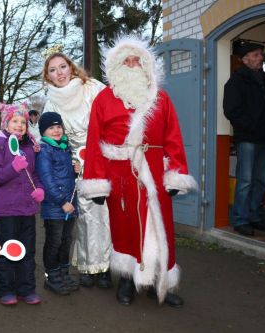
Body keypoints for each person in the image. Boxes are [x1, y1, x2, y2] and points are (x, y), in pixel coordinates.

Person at [79, 36, 197, 308]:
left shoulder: (161, 98)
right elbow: (94, 142)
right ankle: (127, 281)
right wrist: (97, 182)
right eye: (126, 61)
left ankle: (161, 281)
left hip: (155, 170)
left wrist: (175, 174)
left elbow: (173, 138)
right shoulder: (104, 99)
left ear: (146, 66)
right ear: (116, 67)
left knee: (160, 227)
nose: (132, 65)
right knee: (126, 227)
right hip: (120, 173)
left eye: (137, 61)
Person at [42, 47, 112, 289]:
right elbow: (48, 136)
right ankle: (87, 266)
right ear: (47, 76)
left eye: (62, 66)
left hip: (100, 156)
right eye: (53, 70)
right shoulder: (50, 100)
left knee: (104, 215)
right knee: (81, 217)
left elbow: (112, 118)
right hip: (73, 164)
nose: (59, 73)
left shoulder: (92, 87)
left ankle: (105, 267)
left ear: (71, 67)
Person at [0, 102, 44, 306]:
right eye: (15, 121)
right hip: (7, 209)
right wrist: (13, 167)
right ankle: (4, 290)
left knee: (28, 250)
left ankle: (26, 289)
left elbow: (33, 174)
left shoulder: (29, 146)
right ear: (6, 123)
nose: (19, 125)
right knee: (8, 249)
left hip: (27, 207)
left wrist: (39, 189)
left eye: (23, 122)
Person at [223, 41, 265, 236]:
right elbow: (231, 111)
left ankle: (254, 216)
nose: (260, 58)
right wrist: (251, 126)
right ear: (245, 59)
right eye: (256, 55)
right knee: (245, 181)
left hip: (264, 139)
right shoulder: (236, 81)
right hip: (247, 138)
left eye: (260, 55)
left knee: (260, 180)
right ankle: (240, 219)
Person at [35, 112, 79, 295]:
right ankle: (52, 276)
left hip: (70, 204)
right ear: (44, 131)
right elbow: (47, 180)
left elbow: (67, 177)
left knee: (66, 240)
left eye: (58, 127)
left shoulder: (64, 148)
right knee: (54, 241)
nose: (56, 130)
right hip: (55, 206)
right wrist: (62, 202)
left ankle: (63, 272)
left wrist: (76, 171)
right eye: (51, 128)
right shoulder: (44, 150)